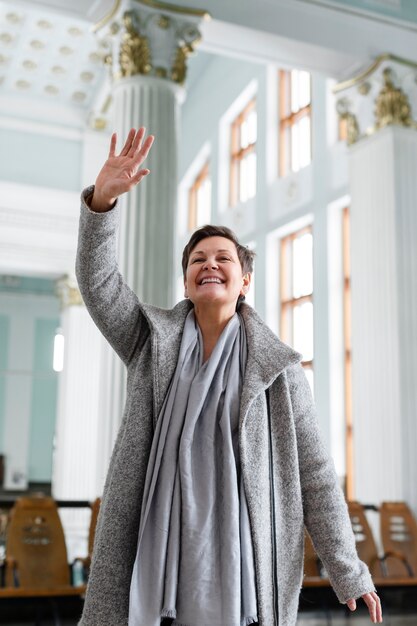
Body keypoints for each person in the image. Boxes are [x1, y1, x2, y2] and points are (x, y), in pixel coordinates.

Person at [75, 127, 383, 626]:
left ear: (244, 281)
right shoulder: (151, 340)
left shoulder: (279, 370)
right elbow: (99, 284)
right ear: (187, 280)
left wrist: (349, 569)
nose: (209, 264)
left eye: (224, 258)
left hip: (245, 566)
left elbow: (317, 476)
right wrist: (102, 204)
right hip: (153, 559)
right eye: (198, 259)